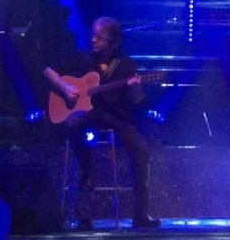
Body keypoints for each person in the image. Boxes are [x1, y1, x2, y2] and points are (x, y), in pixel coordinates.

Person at [44, 17, 160, 229]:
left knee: (141, 151)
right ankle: (84, 216)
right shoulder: (82, 58)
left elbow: (137, 101)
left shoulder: (125, 65)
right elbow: (49, 71)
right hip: (88, 117)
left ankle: (140, 215)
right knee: (74, 130)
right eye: (92, 35)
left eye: (100, 37)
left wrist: (135, 88)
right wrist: (65, 88)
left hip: (117, 117)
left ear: (114, 42)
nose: (94, 40)